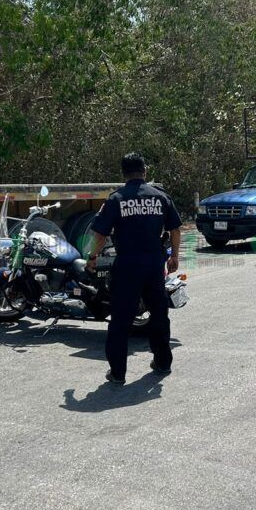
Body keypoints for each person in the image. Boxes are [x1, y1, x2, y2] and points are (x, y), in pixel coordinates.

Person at [85, 153, 181, 385]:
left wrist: (92, 256)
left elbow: (100, 234)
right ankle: (163, 361)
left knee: (120, 320)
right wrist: (174, 256)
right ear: (144, 171)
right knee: (159, 315)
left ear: (123, 173)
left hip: (127, 267)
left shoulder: (116, 199)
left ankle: (118, 373)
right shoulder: (160, 197)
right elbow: (176, 229)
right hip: (153, 267)